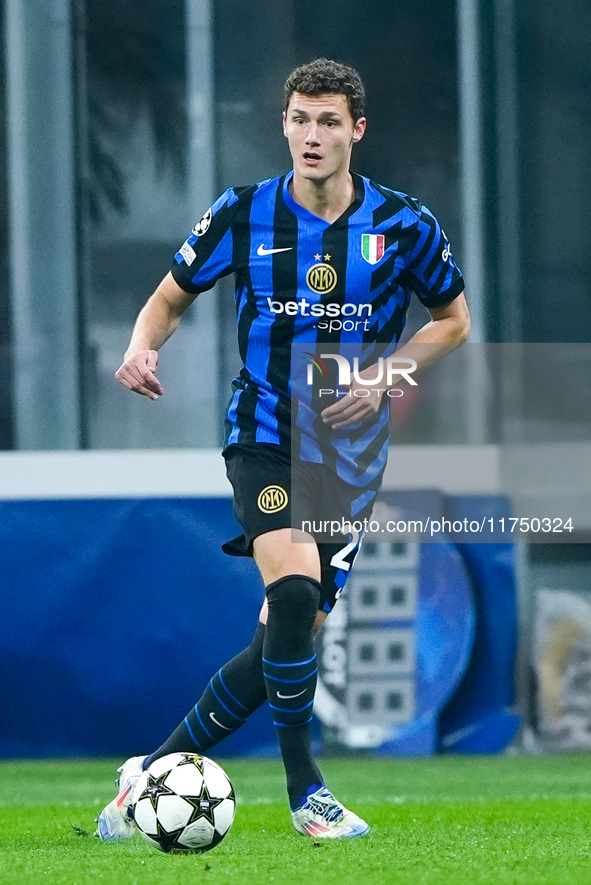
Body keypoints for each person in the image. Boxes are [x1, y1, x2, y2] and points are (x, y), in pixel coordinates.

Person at [96, 58, 470, 842]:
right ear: (284, 126)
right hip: (262, 434)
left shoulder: (403, 224)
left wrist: (384, 374)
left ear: (356, 131)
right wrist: (140, 346)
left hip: (348, 458)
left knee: (282, 637)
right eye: (299, 118)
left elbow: (451, 320)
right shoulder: (242, 212)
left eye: (328, 120)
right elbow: (169, 298)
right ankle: (308, 794)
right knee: (294, 593)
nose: (311, 134)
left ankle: (150, 773)